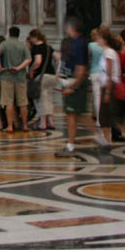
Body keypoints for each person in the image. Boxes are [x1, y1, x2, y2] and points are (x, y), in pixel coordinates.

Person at [56, 16, 90, 156]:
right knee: (76, 114)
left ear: (72, 29)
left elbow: (81, 68)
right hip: (71, 80)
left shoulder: (78, 44)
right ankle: (99, 137)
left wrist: (73, 87)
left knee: (73, 114)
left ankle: (71, 145)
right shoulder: (79, 43)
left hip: (74, 83)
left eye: (68, 28)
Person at [0, 26, 31, 133]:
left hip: (7, 76)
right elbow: (28, 59)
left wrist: (0, 67)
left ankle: (10, 126)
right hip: (20, 77)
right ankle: (25, 125)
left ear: (9, 34)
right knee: (23, 102)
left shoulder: (5, 44)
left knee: (8, 102)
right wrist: (19, 68)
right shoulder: (22, 45)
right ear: (18, 34)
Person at [93, 26, 124, 149]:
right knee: (105, 115)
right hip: (105, 85)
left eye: (99, 38)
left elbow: (110, 73)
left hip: (109, 85)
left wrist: (107, 91)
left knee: (106, 115)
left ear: (104, 40)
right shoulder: (106, 52)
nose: (97, 40)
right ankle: (107, 139)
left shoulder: (109, 53)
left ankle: (107, 139)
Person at [27, 28, 56, 132]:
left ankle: (43, 123)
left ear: (34, 37)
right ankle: (51, 121)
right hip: (52, 75)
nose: (30, 40)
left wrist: (31, 69)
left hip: (41, 76)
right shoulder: (48, 47)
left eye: (30, 38)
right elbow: (57, 57)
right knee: (49, 98)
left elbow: (38, 61)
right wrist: (57, 70)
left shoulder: (37, 47)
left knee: (40, 99)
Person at [88, 28, 104, 120]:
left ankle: (98, 118)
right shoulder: (104, 45)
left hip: (94, 71)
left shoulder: (91, 45)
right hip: (103, 72)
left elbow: (88, 58)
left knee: (97, 96)